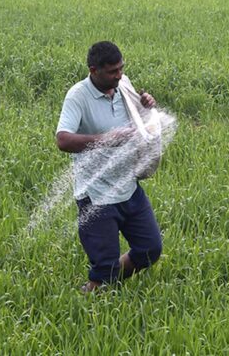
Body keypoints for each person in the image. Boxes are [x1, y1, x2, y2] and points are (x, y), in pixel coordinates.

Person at [56, 41, 162, 293]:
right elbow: (63, 140)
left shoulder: (123, 86)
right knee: (104, 266)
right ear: (94, 70)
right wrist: (106, 140)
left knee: (150, 249)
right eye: (113, 71)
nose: (120, 75)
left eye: (121, 69)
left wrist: (144, 105)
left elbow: (137, 119)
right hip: (97, 195)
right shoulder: (78, 96)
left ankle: (109, 284)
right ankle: (92, 298)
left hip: (128, 186)